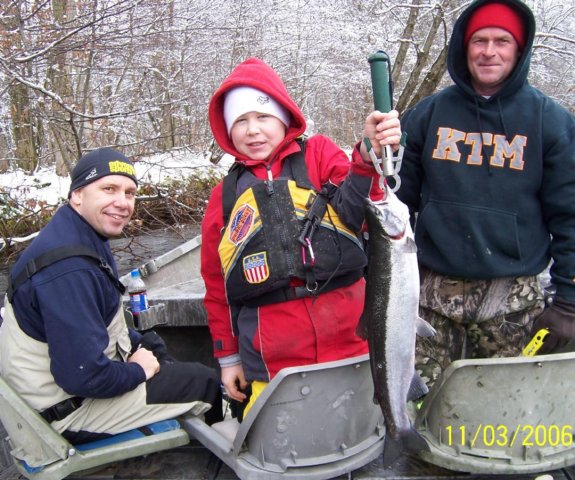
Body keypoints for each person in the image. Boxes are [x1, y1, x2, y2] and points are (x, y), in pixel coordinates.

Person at [201, 57, 401, 413]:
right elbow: (217, 286)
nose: (253, 130)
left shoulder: (320, 154)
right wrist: (227, 357)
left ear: (283, 118)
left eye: (262, 117)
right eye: (241, 121)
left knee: (358, 431)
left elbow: (359, 211)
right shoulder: (224, 196)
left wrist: (368, 158)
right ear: (228, 130)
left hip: (351, 342)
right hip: (273, 359)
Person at [396, 0, 575, 384]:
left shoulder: (551, 122)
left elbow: (570, 217)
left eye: (502, 41)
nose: (488, 51)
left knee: (506, 416)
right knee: (422, 409)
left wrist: (568, 301)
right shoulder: (428, 114)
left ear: (519, 48)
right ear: (465, 46)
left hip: (512, 304)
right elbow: (394, 201)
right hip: (429, 299)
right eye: (479, 40)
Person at [0, 148, 222, 444]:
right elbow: (82, 376)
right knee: (204, 382)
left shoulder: (79, 235)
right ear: (77, 195)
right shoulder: (69, 270)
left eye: (129, 193)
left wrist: (142, 350)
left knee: (152, 344)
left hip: (65, 392)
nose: (122, 203)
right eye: (109, 189)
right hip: (65, 414)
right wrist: (138, 371)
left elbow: (93, 323)